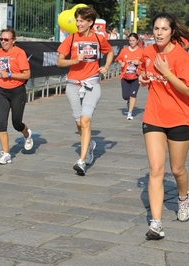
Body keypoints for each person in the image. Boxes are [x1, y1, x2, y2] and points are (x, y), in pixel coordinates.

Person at [138, 12, 189, 240]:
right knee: (156, 170)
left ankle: (183, 197)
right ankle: (157, 223)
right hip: (154, 117)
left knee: (177, 169)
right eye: (156, 28)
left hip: (181, 119)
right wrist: (145, 79)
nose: (159, 33)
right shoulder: (148, 52)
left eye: (164, 29)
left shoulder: (182, 57)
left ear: (172, 32)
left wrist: (166, 73)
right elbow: (145, 73)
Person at [56, 6, 114, 175]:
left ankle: (81, 161)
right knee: (78, 123)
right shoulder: (71, 38)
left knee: (85, 121)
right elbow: (59, 62)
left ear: (90, 23)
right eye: (77, 20)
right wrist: (74, 60)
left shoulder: (98, 38)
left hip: (92, 83)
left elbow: (109, 52)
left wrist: (106, 66)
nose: (78, 23)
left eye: (81, 21)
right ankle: (89, 145)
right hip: (73, 84)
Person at [0, 28, 33, 164]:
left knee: (16, 123)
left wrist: (9, 74)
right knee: (1, 123)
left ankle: (27, 134)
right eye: (1, 39)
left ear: (13, 40)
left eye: (6, 40)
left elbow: (27, 74)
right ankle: (6, 154)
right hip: (2, 91)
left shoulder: (19, 53)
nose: (3, 42)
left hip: (17, 91)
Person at [115, 32, 143, 120]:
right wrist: (121, 63)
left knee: (133, 95)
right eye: (130, 40)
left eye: (133, 40)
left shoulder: (141, 51)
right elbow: (118, 59)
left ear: (137, 41)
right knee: (125, 96)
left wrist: (139, 63)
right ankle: (128, 101)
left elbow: (145, 62)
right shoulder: (124, 50)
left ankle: (130, 112)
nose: (131, 42)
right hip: (125, 76)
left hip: (136, 77)